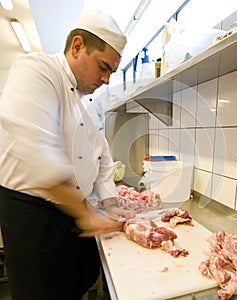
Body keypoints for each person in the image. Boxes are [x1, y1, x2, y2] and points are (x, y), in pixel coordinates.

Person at [0, 9, 135, 300]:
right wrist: (87, 215)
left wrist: (110, 202)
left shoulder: (87, 100)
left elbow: (102, 158)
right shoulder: (36, 71)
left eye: (111, 71)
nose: (107, 79)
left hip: (72, 211)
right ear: (77, 46)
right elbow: (38, 158)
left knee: (75, 284)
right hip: (34, 217)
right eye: (103, 67)